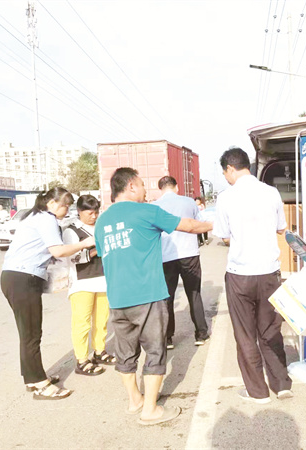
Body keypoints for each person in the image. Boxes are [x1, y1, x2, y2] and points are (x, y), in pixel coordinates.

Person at [94, 167, 212, 426]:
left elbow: (105, 255)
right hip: (147, 295)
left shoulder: (102, 221)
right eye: (141, 185)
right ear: (131, 186)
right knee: (155, 351)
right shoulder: (146, 211)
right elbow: (189, 226)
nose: (145, 191)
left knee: (126, 353)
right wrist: (216, 224)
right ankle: (150, 410)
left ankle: (134, 400)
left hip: (117, 298)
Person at [213, 147, 292, 404]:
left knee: (245, 334)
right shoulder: (271, 192)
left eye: (225, 173)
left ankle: (258, 392)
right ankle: (281, 384)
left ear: (230, 169)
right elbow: (281, 228)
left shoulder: (225, 198)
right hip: (269, 273)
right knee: (271, 329)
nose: (226, 177)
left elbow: (224, 236)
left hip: (240, 275)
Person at [0, 188, 96, 400]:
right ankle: (41, 384)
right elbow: (58, 250)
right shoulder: (47, 219)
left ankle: (32, 378)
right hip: (23, 279)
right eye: (64, 205)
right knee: (31, 334)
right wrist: (85, 243)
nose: (66, 210)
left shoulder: (33, 216)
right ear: (52, 203)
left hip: (14, 277)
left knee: (28, 332)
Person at [153, 177, 210, 349]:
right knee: (194, 294)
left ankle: (168, 338)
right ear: (176, 187)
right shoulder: (188, 202)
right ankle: (201, 334)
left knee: (167, 297)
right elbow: (199, 223)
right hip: (189, 253)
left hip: (166, 256)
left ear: (160, 189)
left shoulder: (154, 206)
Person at [63, 195, 115, 377]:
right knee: (82, 323)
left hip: (102, 279)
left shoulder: (101, 226)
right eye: (89, 213)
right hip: (82, 282)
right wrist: (94, 250)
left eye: (96, 213)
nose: (93, 216)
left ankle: (99, 351)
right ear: (79, 211)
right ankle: (82, 360)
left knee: (102, 319)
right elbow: (72, 257)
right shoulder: (71, 231)